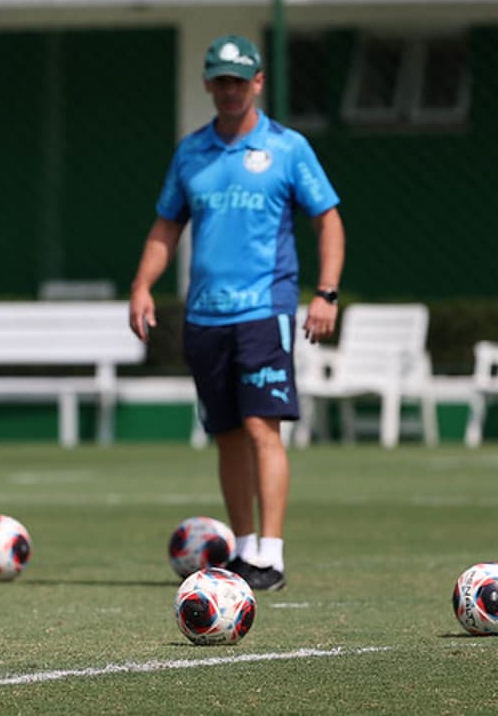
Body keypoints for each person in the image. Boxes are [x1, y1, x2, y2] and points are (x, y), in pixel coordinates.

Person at [127, 34, 345, 591]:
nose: (230, 90)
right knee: (226, 433)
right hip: (205, 315)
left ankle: (271, 552)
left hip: (263, 308)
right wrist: (143, 285)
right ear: (208, 84)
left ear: (258, 83)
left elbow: (328, 220)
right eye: (220, 80)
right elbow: (166, 225)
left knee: (259, 425)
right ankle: (245, 549)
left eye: (239, 80)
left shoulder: (289, 148)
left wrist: (326, 293)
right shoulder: (191, 152)